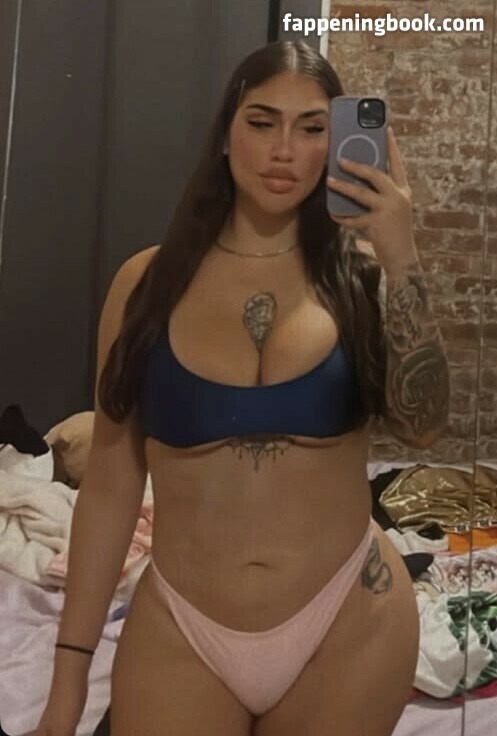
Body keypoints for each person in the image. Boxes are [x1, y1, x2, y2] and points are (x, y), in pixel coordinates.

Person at [34, 39, 449, 736]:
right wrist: (68, 678)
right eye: (262, 122)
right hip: (185, 623)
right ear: (226, 135)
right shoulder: (145, 285)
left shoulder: (361, 281)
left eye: (311, 128)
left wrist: (401, 254)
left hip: (348, 616)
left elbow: (425, 425)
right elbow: (109, 481)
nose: (284, 150)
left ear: (333, 145)